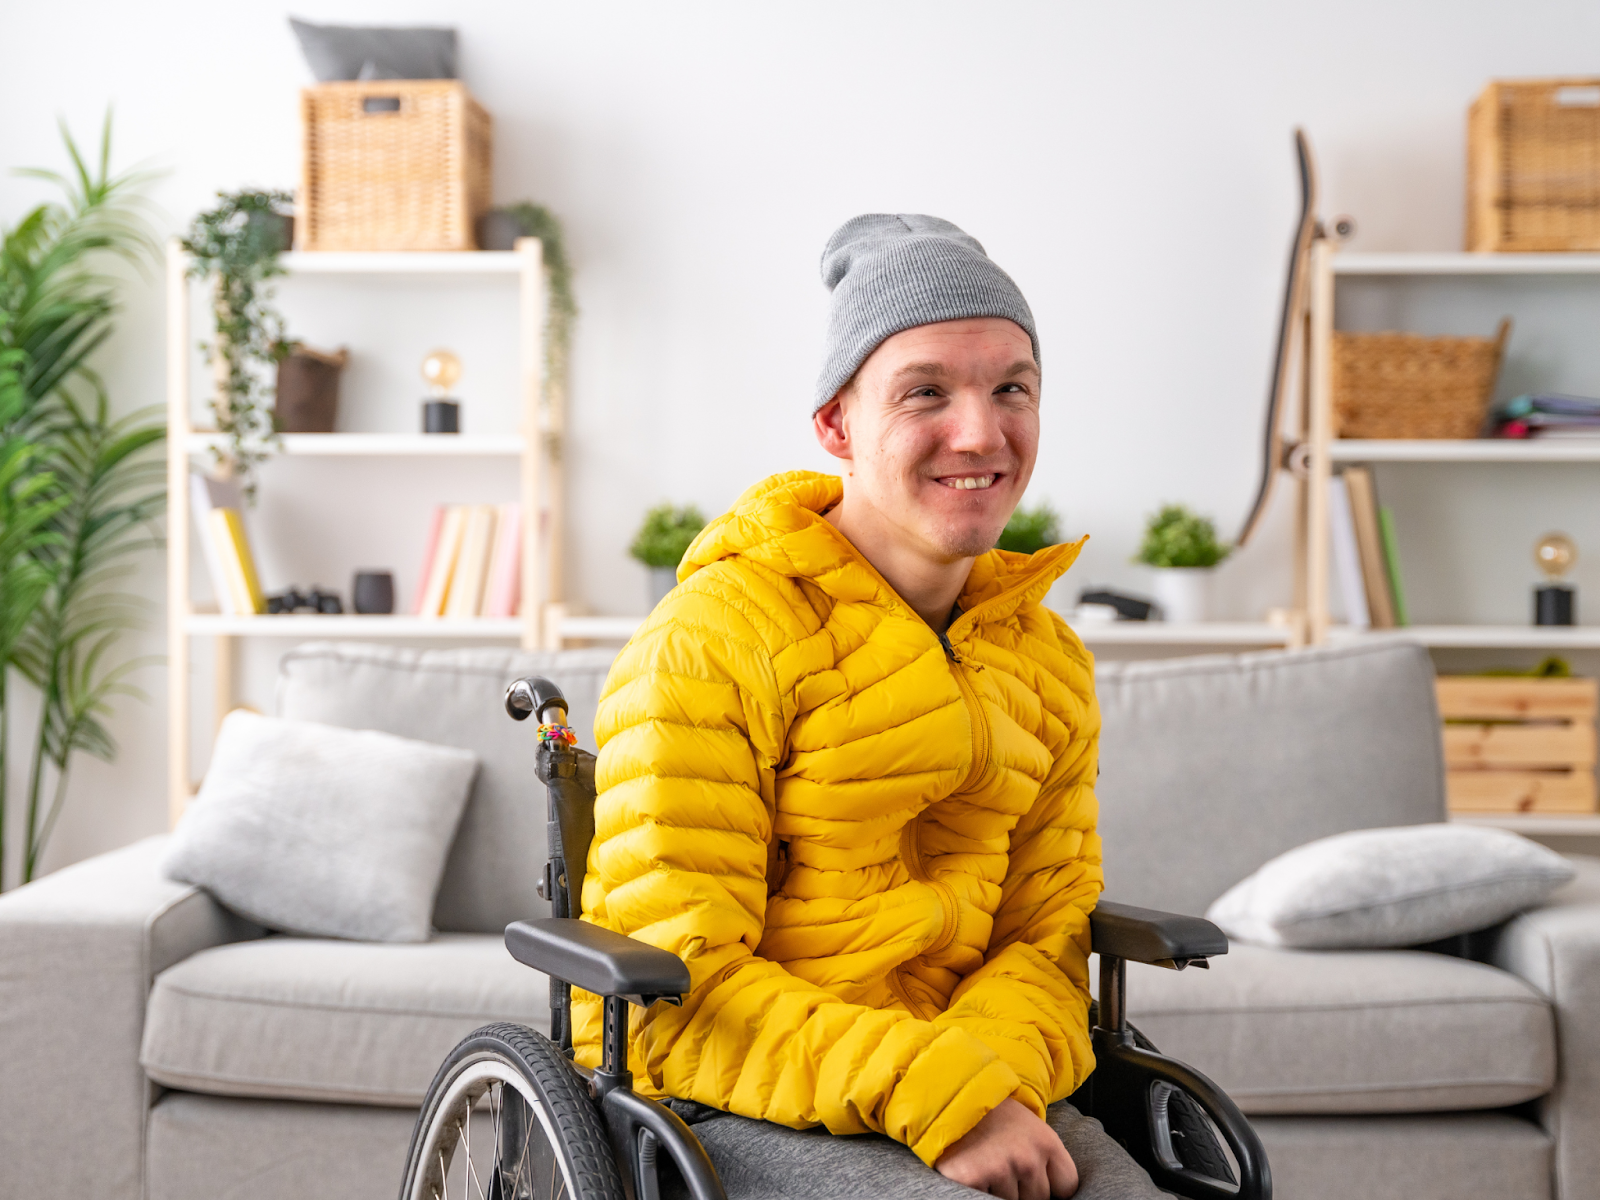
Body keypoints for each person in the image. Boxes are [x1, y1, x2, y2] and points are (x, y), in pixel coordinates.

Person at [575, 214, 1161, 1200]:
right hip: (741, 1085)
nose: (979, 433)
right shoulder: (714, 638)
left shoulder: (1048, 660)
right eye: (924, 392)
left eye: (1010, 388)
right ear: (836, 428)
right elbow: (678, 973)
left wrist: (980, 1086)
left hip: (975, 1075)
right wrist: (936, 1094)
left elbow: (1045, 938)